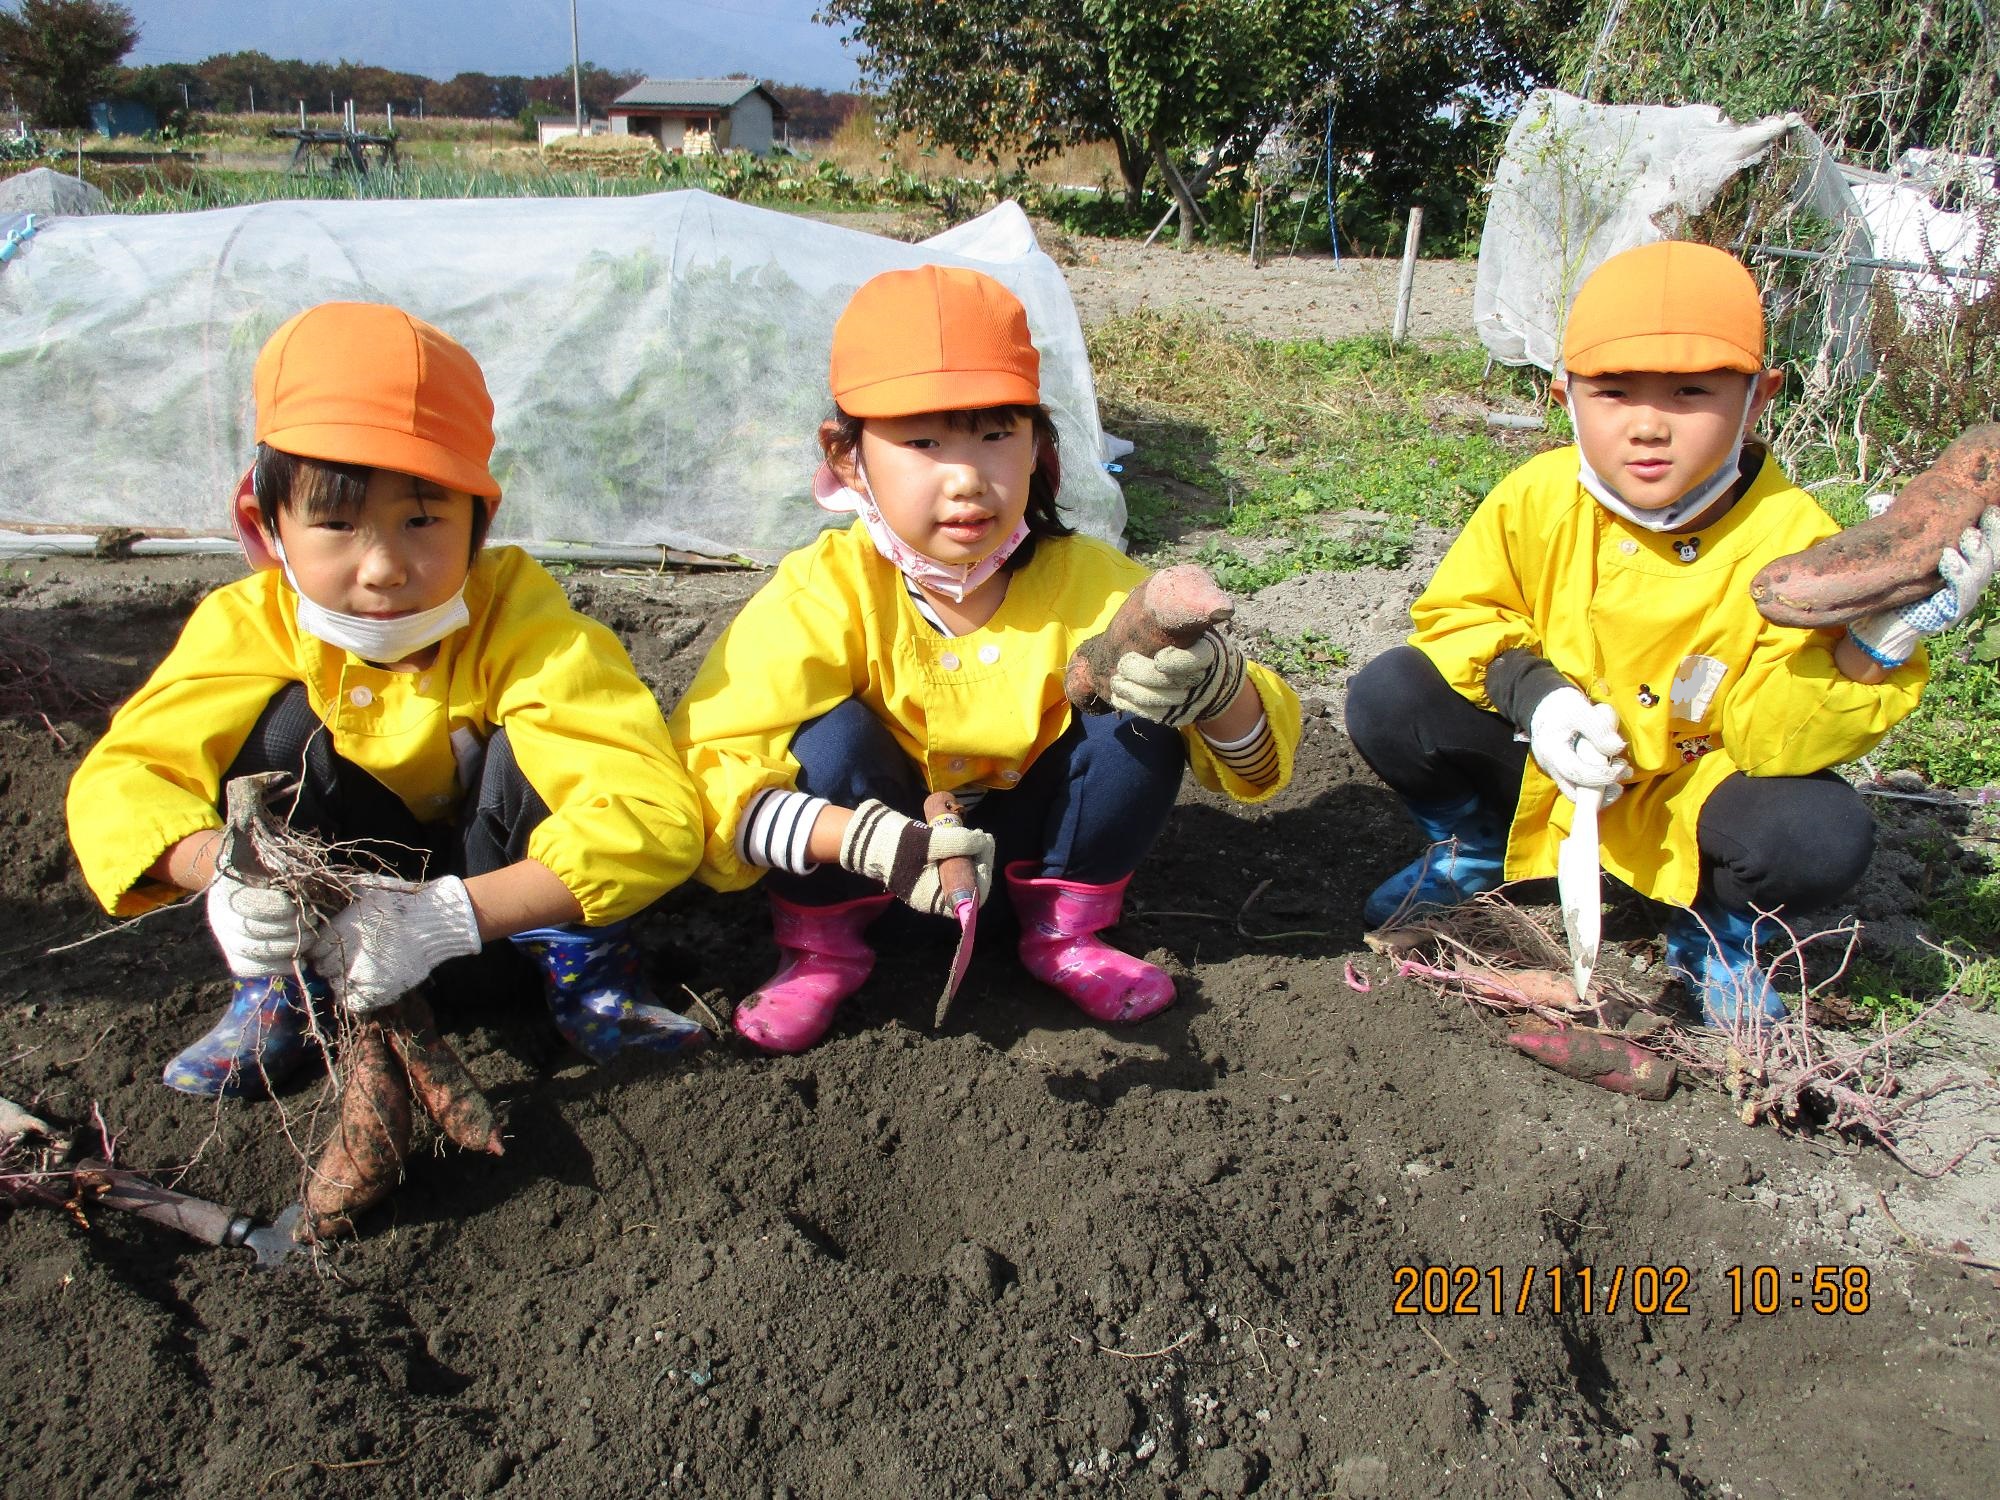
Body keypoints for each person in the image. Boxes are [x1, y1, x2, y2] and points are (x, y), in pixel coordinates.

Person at [66, 301, 710, 1096]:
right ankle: (283, 992)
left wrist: (447, 916)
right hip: (326, 929)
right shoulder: (248, 627)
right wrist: (230, 874)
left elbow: (651, 813)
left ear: (480, 520)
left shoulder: (522, 622)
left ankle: (589, 975)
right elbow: (122, 784)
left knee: (536, 750)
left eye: (420, 519)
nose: (383, 566)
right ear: (264, 527)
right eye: (336, 522)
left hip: (502, 925)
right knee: (276, 732)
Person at [1345, 240, 1996, 1025]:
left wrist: (1876, 640)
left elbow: (1768, 744)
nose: (1649, 426)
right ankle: (1474, 848)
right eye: (1615, 392)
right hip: (1552, 764)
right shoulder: (1538, 497)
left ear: (1759, 398)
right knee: (1392, 694)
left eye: (1691, 392)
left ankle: (1716, 929)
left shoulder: (1798, 544)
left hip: (1692, 786)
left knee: (1819, 834)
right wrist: (1542, 700)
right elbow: (1463, 617)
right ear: (1564, 397)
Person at [670, 264, 1302, 1053]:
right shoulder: (823, 594)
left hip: (1028, 873)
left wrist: (1218, 685)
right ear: (845, 454)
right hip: (879, 871)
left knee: (1140, 721)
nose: (967, 477)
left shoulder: (1096, 585)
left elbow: (1259, 767)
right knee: (822, 739)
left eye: (996, 434)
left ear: (1040, 445)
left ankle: (1068, 937)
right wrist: (862, 841)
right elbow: (702, 768)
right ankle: (822, 949)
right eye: (923, 441)